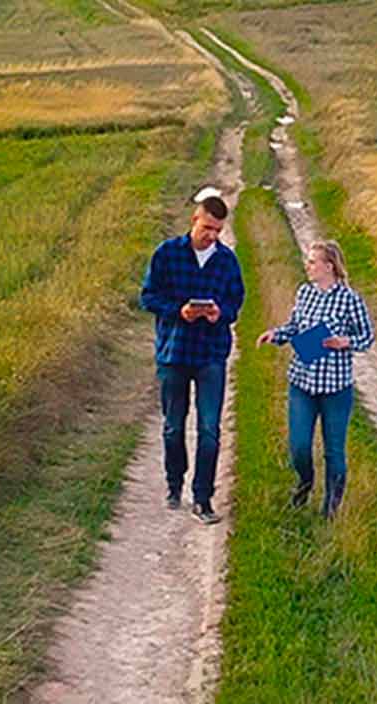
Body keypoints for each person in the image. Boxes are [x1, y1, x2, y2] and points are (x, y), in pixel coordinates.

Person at [140, 193, 244, 524]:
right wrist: (178, 311)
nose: (212, 235)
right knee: (173, 427)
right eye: (208, 228)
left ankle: (203, 498)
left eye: (218, 230)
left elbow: (235, 302)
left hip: (211, 353)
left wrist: (220, 313)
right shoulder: (167, 253)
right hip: (173, 352)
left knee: (209, 429)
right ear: (194, 220)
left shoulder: (227, 261)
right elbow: (148, 296)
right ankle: (174, 484)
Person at [255, 239, 375, 518]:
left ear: (328, 266)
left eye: (312, 262)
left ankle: (330, 511)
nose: (307, 266)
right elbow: (295, 326)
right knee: (299, 446)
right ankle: (305, 482)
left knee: (334, 452)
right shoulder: (305, 293)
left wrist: (344, 342)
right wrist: (276, 334)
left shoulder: (350, 299)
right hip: (302, 383)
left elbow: (367, 337)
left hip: (336, 388)